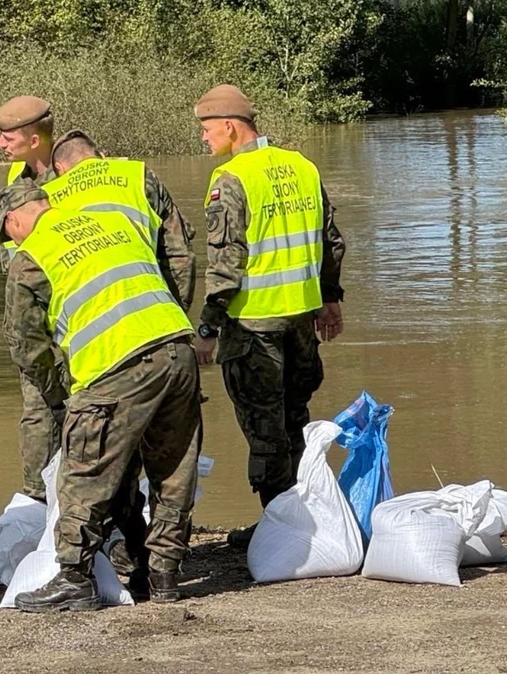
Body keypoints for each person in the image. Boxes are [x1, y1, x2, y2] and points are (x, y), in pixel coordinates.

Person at [0, 182, 202, 611]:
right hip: (176, 349)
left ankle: (74, 575)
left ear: (15, 220)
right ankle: (163, 575)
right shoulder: (115, 222)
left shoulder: (30, 256)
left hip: (115, 365)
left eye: (8, 233)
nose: (12, 241)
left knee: (83, 468)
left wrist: (60, 399)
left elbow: (27, 347)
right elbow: (172, 266)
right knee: (174, 468)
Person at [190, 84, 347, 548]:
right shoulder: (302, 166)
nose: (203, 138)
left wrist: (206, 330)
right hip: (301, 321)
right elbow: (330, 240)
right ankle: (306, 514)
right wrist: (331, 299)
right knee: (295, 417)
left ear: (230, 127)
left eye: (205, 128)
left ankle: (283, 529)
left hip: (253, 328)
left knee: (265, 431)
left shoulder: (232, 179)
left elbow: (226, 266)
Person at [45, 129, 202, 576]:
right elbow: (178, 254)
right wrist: (173, 316)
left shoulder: (49, 199)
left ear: (59, 168)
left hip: (103, 349)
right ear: (101, 157)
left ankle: (115, 554)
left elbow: (41, 290)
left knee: (102, 458)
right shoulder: (135, 174)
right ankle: (166, 570)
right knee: (173, 464)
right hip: (164, 329)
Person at [0, 95, 62, 504]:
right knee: (37, 407)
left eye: (8, 135)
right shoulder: (16, 178)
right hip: (33, 312)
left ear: (35, 138)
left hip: (78, 309)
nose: (1, 143)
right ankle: (38, 498)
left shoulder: (75, 175)